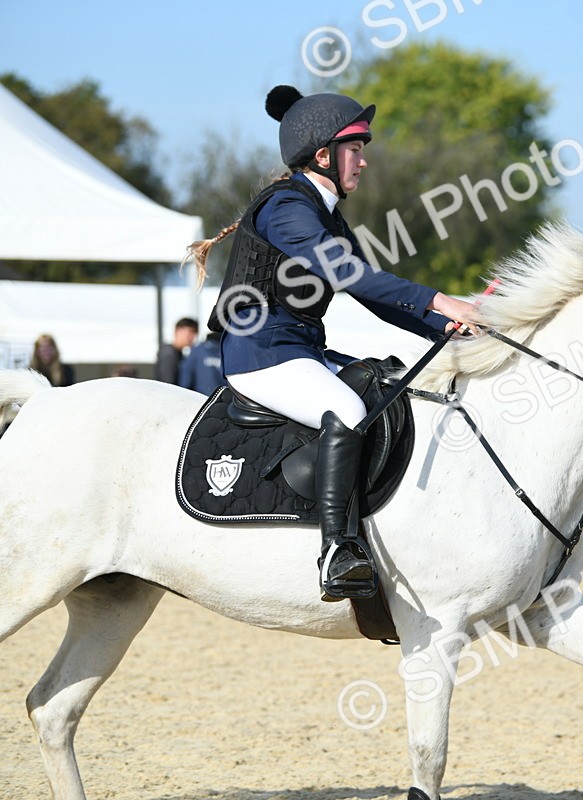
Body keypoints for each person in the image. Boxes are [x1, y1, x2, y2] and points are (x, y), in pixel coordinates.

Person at [185, 85, 480, 602]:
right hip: (260, 353)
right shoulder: (286, 208)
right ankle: (337, 550)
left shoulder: (325, 214)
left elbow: (373, 294)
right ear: (323, 155)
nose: (363, 161)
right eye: (356, 149)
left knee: (391, 387)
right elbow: (348, 272)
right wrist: (439, 298)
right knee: (347, 409)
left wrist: (445, 329)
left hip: (297, 348)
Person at [155, 318, 199, 384]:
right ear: (177, 331)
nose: (192, 337)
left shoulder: (177, 353)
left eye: (195, 333)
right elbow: (167, 384)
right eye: (190, 332)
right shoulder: (169, 355)